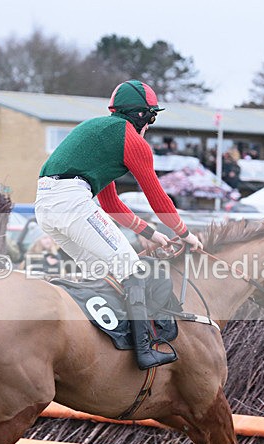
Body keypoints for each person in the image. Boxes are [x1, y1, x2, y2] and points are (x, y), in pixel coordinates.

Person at [35, 79, 202, 370]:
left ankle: (97, 345)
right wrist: (184, 234)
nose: (150, 125)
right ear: (143, 116)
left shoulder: (102, 133)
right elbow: (158, 198)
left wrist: (150, 234)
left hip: (46, 205)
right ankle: (144, 351)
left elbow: (112, 204)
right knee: (132, 269)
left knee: (102, 273)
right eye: (152, 117)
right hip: (71, 202)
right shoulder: (133, 142)